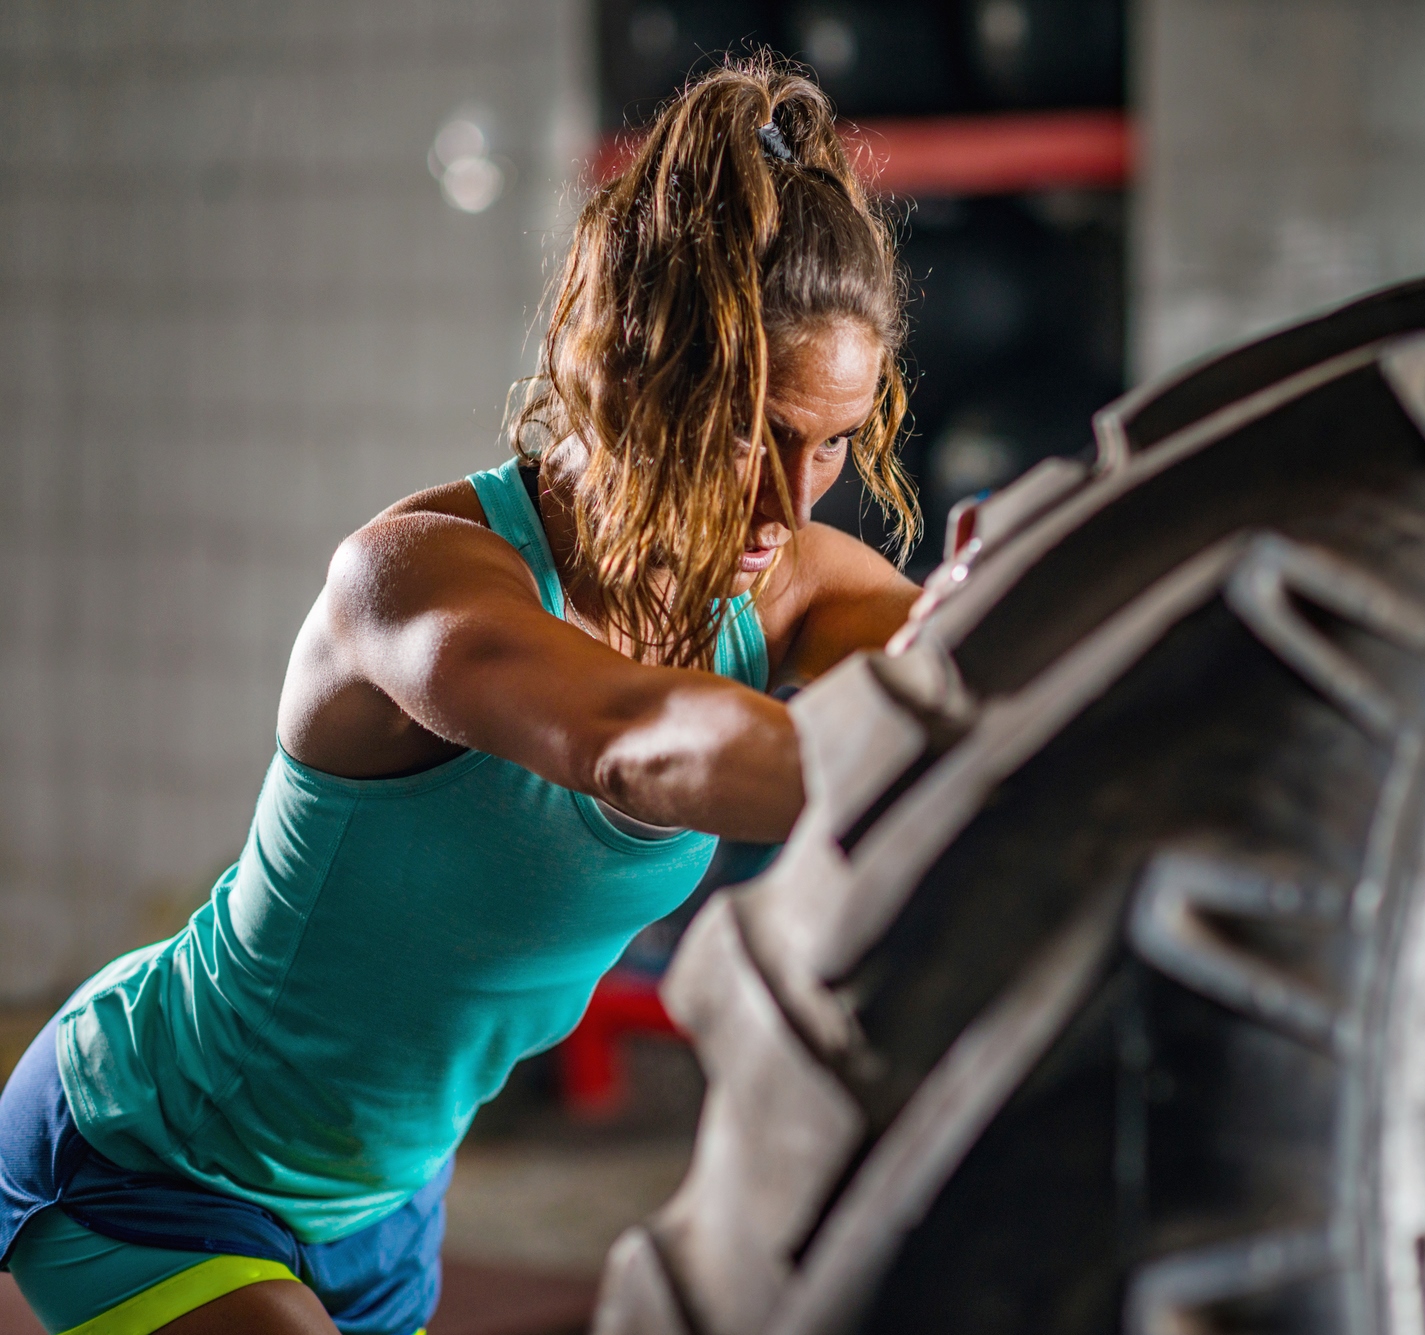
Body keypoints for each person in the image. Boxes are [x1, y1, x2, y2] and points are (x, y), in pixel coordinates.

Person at [0, 57, 920, 1335]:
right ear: (631, 372)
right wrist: (927, 758)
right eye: (743, 435)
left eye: (828, 445)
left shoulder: (795, 590)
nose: (788, 502)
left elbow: (975, 662)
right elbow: (620, 735)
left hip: (384, 1204)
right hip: (155, 1149)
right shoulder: (416, 578)